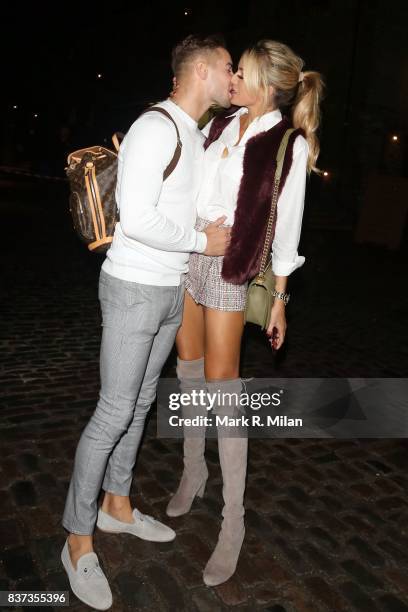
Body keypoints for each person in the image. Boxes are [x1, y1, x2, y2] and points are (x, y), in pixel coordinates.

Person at [60, 34, 234, 610]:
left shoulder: (191, 132)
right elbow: (135, 219)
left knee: (138, 406)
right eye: (228, 68)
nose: (232, 77)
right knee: (113, 410)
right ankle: (77, 540)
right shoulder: (156, 127)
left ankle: (116, 506)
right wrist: (201, 243)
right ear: (203, 70)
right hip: (135, 286)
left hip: (167, 291)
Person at [166, 39, 324, 586]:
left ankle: (232, 521)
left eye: (243, 73)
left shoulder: (287, 142)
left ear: (266, 84)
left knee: (221, 387)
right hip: (189, 253)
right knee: (187, 373)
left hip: (232, 264)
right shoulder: (219, 122)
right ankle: (193, 472)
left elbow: (289, 225)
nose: (232, 78)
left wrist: (280, 298)